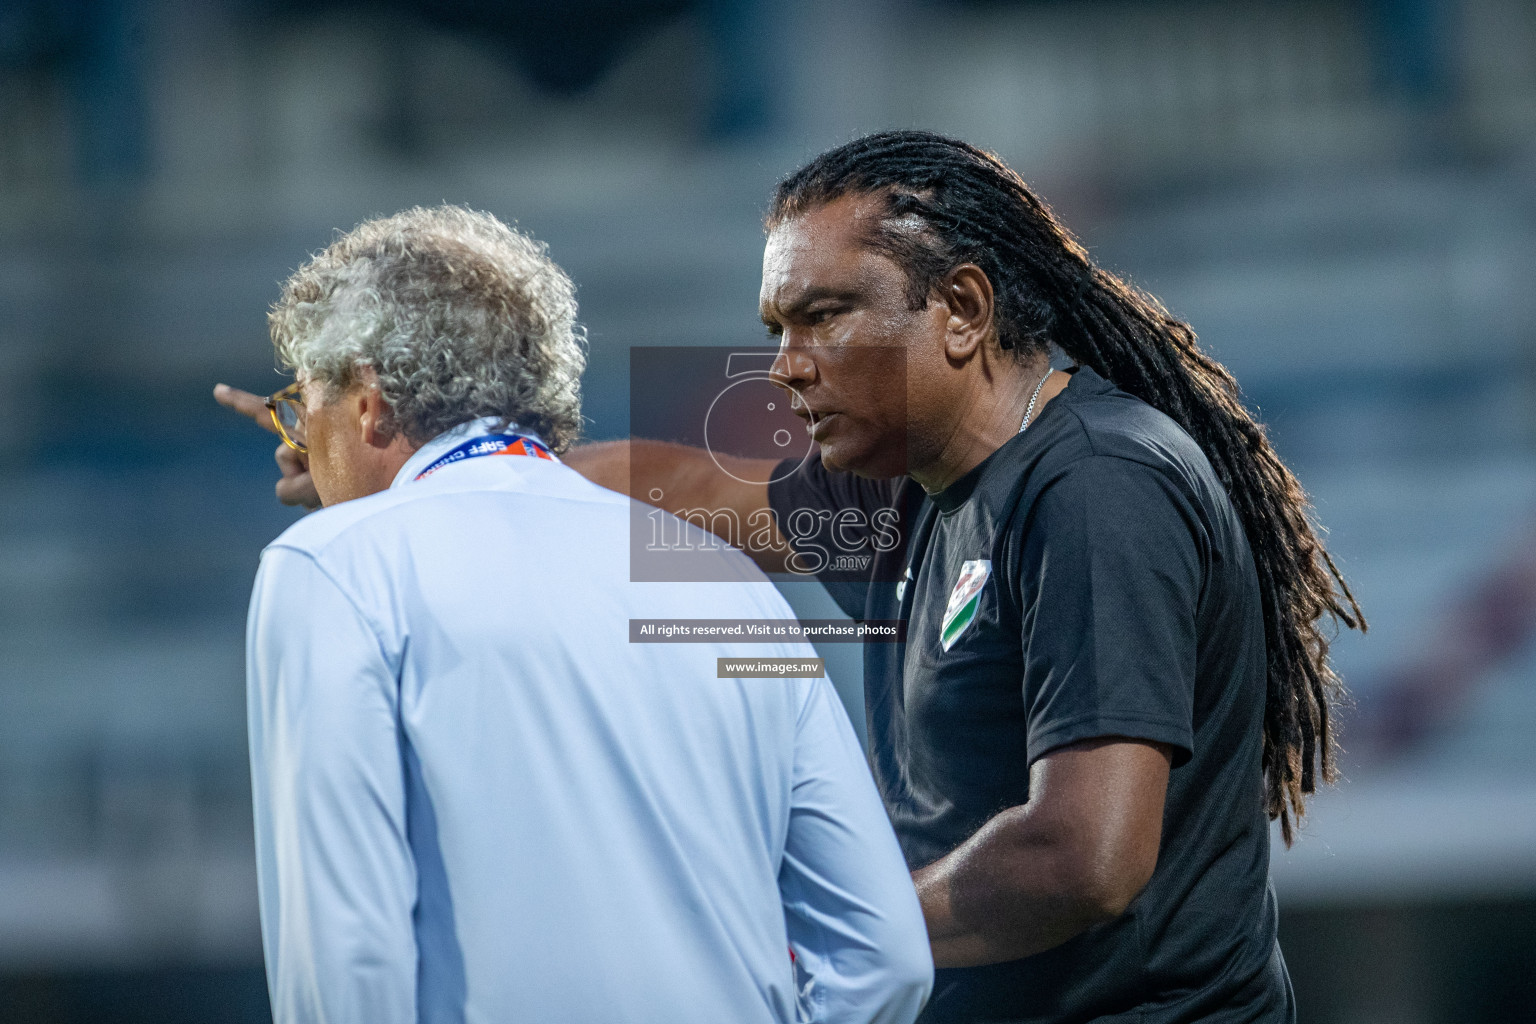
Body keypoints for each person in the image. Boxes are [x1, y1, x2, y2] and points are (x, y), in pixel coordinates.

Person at [566, 132, 1367, 1023]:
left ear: (961, 308)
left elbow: (1084, 856)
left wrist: (810, 936)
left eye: (823, 316)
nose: (784, 366)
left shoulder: (1097, 486)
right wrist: (474, 476)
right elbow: (688, 491)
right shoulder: (905, 485)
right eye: (776, 329)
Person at [232, 204, 932, 1024]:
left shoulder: (330, 567)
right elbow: (883, 955)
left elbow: (348, 959)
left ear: (370, 401)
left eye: (298, 407)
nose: (299, 442)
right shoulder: (726, 579)